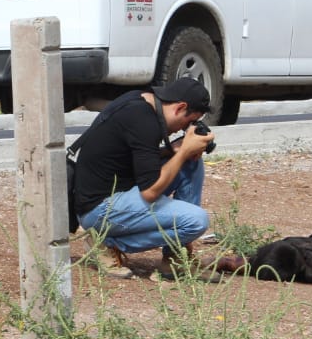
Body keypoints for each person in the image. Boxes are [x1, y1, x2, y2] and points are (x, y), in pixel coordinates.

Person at [73, 77, 242, 279]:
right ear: (180, 108)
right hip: (99, 209)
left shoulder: (142, 102)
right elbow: (150, 191)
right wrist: (182, 151)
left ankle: (175, 260)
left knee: (191, 162)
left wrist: (175, 151)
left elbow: (137, 157)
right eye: (187, 123)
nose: (182, 130)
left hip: (119, 192)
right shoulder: (143, 121)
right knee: (196, 221)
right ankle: (106, 242)